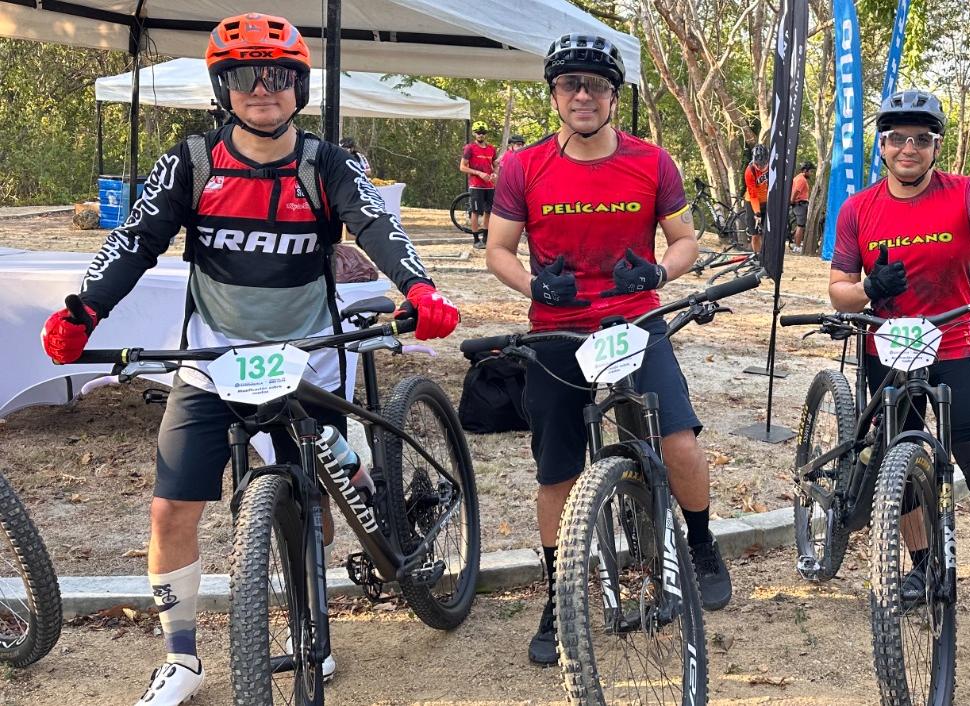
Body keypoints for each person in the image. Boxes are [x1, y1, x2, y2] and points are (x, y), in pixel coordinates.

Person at [37, 14, 459, 705]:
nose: (262, 91)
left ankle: (309, 624)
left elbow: (378, 226)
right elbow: (137, 240)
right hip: (214, 354)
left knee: (310, 498)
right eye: (244, 78)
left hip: (309, 354)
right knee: (171, 509)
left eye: (277, 77)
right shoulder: (193, 160)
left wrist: (419, 288)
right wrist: (85, 308)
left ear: (299, 87)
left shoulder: (328, 162)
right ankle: (181, 659)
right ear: (221, 88)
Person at [482, 32, 733, 667]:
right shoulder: (523, 166)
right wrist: (534, 283)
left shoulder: (652, 161)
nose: (584, 95)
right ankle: (556, 593)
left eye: (597, 85)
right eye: (571, 85)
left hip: (634, 321)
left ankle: (700, 542)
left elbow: (684, 242)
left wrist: (657, 275)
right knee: (557, 472)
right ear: (556, 95)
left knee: (678, 442)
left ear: (615, 97)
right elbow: (498, 251)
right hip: (557, 330)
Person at [830, 89, 970, 652]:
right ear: (881, 146)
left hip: (954, 342)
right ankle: (922, 564)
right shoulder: (858, 209)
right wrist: (866, 289)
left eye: (922, 139)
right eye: (898, 138)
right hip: (886, 348)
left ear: (936, 146)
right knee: (898, 461)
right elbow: (838, 292)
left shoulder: (965, 193)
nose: (909, 148)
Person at [460, 121, 498, 247]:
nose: (480, 135)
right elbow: (462, 167)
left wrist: (494, 174)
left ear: (485, 134)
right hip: (476, 185)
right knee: (476, 212)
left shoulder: (492, 148)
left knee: (489, 212)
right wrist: (478, 173)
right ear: (474, 134)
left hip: (489, 185)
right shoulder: (469, 148)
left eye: (483, 133)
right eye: (478, 133)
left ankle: (486, 239)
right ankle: (476, 240)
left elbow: (495, 166)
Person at [743, 144, 770, 252]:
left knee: (768, 231)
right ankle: (757, 256)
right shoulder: (749, 171)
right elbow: (753, 194)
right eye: (757, 165)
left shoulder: (773, 165)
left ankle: (767, 255)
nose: (760, 168)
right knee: (755, 233)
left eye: (763, 165)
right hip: (752, 201)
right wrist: (757, 213)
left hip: (767, 200)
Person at [789, 161, 815, 252]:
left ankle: (794, 240)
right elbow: (796, 191)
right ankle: (797, 246)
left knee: (800, 225)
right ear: (805, 170)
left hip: (799, 204)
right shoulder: (801, 179)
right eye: (810, 171)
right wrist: (791, 201)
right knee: (801, 225)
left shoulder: (798, 178)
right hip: (800, 204)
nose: (811, 173)